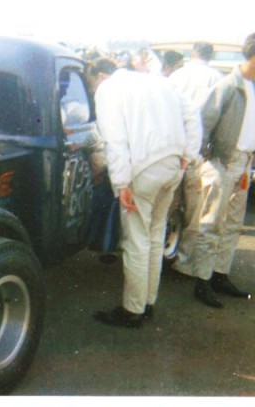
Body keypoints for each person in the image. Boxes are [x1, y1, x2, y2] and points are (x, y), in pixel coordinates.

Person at [88, 58, 200, 328]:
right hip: (172, 166)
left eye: (92, 85)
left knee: (137, 240)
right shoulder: (158, 81)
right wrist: (188, 155)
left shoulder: (108, 89)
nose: (93, 91)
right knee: (153, 237)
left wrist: (122, 183)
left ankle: (132, 310)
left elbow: (115, 139)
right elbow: (193, 116)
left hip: (143, 171)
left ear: (101, 76)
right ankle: (147, 302)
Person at [186, 33, 255, 308]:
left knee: (233, 223)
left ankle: (220, 274)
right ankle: (201, 281)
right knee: (211, 222)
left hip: (244, 163)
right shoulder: (228, 85)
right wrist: (209, 160)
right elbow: (202, 123)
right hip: (222, 162)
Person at [168, 42, 224, 277]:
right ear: (211, 56)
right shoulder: (218, 78)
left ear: (192, 54)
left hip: (172, 150)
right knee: (193, 212)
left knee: (166, 206)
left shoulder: (176, 75)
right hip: (197, 153)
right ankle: (182, 260)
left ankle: (161, 253)